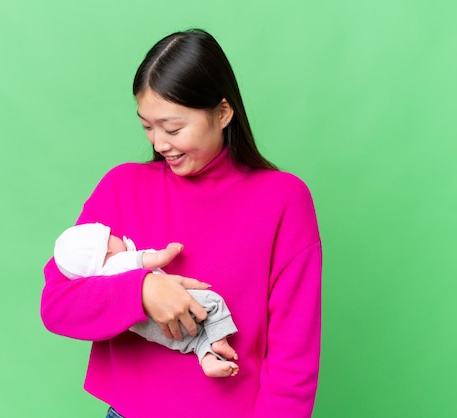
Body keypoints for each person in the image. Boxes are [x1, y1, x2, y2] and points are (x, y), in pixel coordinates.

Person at [41, 28, 322, 418]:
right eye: (147, 126)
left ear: (223, 113)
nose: (159, 143)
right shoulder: (121, 188)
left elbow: (294, 352)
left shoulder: (283, 200)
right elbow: (57, 306)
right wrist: (142, 291)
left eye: (172, 128)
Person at [52, 222, 239, 377]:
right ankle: (220, 340)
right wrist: (171, 250)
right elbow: (158, 259)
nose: (116, 235)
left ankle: (209, 360)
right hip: (176, 302)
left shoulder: (100, 278)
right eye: (111, 235)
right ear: (107, 249)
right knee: (213, 302)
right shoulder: (123, 259)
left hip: (144, 327)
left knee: (193, 341)